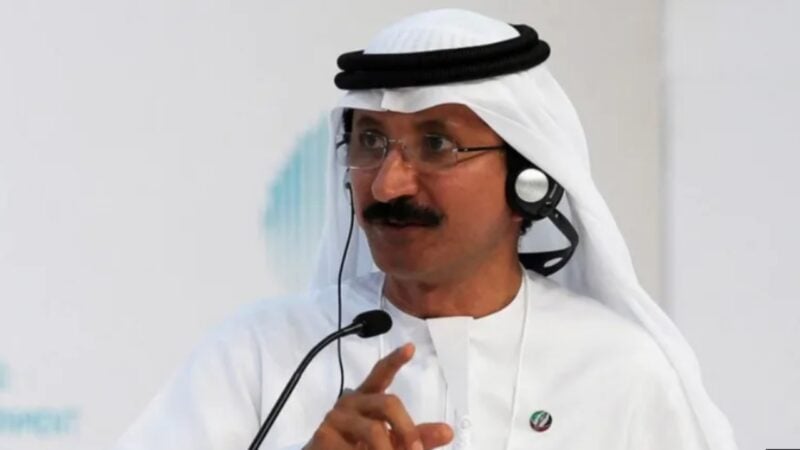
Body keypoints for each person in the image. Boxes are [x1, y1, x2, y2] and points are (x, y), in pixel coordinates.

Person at [114, 9, 738, 450]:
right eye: (370, 142)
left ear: (529, 180)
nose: (389, 185)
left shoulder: (618, 369)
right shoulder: (260, 353)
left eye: (437, 144)